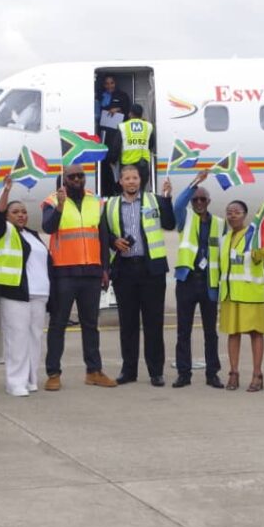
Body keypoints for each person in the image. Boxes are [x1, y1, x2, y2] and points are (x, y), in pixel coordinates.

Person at [41, 164, 118, 391]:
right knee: (58, 324)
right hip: (64, 272)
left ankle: (93, 371)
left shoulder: (96, 201)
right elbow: (47, 227)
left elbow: (102, 236)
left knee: (91, 325)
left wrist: (105, 268)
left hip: (91, 272)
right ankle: (53, 373)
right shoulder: (52, 201)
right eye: (72, 176)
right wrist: (60, 207)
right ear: (64, 179)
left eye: (81, 176)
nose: (77, 179)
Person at [101, 165, 176, 386]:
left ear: (140, 180)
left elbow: (170, 224)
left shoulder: (155, 200)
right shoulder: (110, 204)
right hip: (125, 270)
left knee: (154, 323)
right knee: (128, 324)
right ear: (120, 182)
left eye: (135, 178)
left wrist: (168, 199)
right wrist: (114, 241)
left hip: (151, 269)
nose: (132, 181)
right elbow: (103, 233)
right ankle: (129, 370)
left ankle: (156, 371)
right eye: (127, 178)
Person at [0, 175, 50, 396]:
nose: (21, 214)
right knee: (17, 339)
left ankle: (31, 379)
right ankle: (15, 382)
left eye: (23, 211)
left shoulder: (32, 234)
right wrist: (6, 192)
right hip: (14, 293)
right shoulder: (3, 231)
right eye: (15, 212)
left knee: (34, 339)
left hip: (39, 294)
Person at [170, 171, 223, 389]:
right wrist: (194, 184)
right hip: (187, 280)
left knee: (211, 332)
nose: (199, 202)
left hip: (209, 282)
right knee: (184, 330)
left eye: (203, 199)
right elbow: (177, 205)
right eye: (196, 199)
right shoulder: (185, 218)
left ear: (209, 201)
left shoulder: (220, 224)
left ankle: (212, 373)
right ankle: (184, 373)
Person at [216, 199, 264, 392]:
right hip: (230, 294)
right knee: (233, 333)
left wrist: (259, 249)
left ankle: (257, 375)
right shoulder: (224, 239)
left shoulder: (254, 235)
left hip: (251, 294)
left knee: (255, 333)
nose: (233, 215)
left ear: (245, 214)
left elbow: (263, 256)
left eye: (237, 212)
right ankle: (233, 373)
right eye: (229, 212)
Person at [97, 74, 130, 197]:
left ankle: (118, 190)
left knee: (114, 161)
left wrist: (118, 110)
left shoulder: (122, 96)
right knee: (105, 163)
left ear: (115, 83)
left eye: (112, 83)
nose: (109, 85)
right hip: (104, 132)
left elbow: (128, 112)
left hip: (117, 133)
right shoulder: (100, 96)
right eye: (107, 83)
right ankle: (107, 190)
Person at [114, 103, 156, 191]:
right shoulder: (148, 126)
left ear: (130, 114)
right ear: (141, 114)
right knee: (140, 193)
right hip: (143, 165)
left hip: (127, 167)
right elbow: (151, 144)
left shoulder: (123, 126)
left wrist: (112, 160)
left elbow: (116, 147)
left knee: (128, 193)